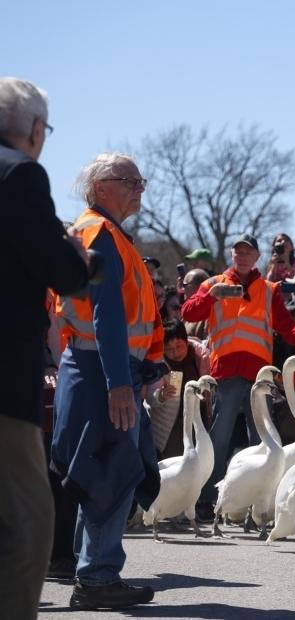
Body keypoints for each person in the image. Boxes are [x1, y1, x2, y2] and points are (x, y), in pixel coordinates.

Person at [52, 152, 163, 610]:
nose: (140, 187)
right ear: (101, 188)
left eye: (141, 180)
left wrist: (140, 370)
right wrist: (120, 381)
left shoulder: (104, 233)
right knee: (110, 473)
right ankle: (97, 577)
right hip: (102, 370)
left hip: (100, 367)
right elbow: (106, 313)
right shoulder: (99, 233)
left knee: (100, 472)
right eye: (130, 180)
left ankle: (93, 573)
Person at [0, 77, 89, 619]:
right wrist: (76, 257)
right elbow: (60, 272)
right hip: (4, 386)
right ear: (35, 130)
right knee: (31, 521)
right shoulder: (20, 174)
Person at [180, 233, 295, 516]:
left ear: (257, 257)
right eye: (238, 251)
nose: (242, 256)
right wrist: (211, 296)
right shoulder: (213, 284)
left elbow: (286, 327)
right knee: (218, 439)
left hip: (260, 378)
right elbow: (188, 313)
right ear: (232, 255)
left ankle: (258, 505)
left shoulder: (269, 289)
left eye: (247, 252)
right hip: (226, 374)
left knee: (263, 441)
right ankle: (207, 501)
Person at [144, 320, 210, 459]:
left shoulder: (201, 358)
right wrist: (161, 396)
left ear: (186, 342)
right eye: (169, 349)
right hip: (171, 428)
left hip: (198, 421)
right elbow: (150, 397)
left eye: (179, 346)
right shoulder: (159, 365)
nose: (176, 352)